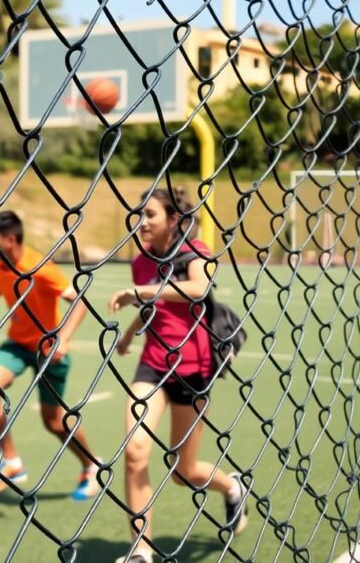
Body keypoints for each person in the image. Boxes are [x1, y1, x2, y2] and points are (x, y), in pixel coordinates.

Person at [108, 188, 248, 563]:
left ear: (173, 219)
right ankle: (141, 550)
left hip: (193, 371)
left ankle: (232, 487)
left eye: (150, 214)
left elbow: (197, 289)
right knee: (135, 451)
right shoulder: (140, 262)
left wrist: (138, 292)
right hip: (153, 365)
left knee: (183, 472)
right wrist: (128, 334)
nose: (142, 222)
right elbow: (152, 304)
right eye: (139, 214)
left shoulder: (196, 252)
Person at [0, 211, 100, 500]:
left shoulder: (40, 267)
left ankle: (91, 467)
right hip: (17, 344)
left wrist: (63, 339)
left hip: (49, 350)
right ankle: (12, 463)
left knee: (54, 422)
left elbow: (81, 301)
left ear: (10, 240)